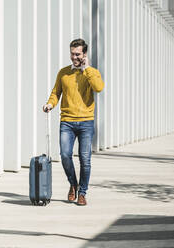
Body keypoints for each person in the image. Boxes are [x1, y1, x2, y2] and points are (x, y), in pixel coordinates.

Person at [43, 39, 104, 206]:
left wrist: (87, 69)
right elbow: (56, 92)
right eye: (72, 53)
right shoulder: (63, 72)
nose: (74, 57)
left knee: (85, 159)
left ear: (84, 54)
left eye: (77, 54)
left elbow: (98, 87)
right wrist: (50, 104)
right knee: (64, 155)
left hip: (86, 122)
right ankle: (73, 184)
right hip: (67, 122)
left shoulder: (92, 72)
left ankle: (82, 192)